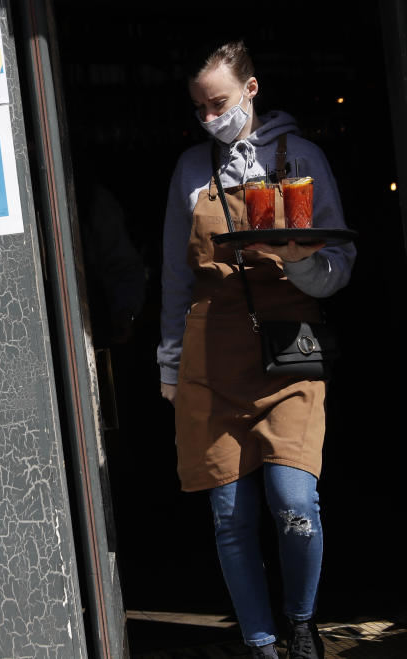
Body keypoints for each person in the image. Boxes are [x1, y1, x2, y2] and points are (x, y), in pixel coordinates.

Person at [157, 39, 355, 659]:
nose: (208, 116)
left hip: (290, 344)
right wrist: (168, 363)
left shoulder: (305, 158)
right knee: (229, 518)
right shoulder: (191, 170)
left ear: (250, 89)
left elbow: (341, 262)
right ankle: (261, 644)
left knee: (294, 503)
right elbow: (172, 274)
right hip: (211, 352)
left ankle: (301, 621)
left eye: (217, 102)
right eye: (198, 107)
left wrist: (301, 268)